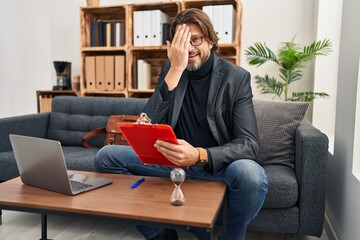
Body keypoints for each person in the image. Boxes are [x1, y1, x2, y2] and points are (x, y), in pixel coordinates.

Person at [94, 8, 268, 240]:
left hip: (215, 167)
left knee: (250, 174)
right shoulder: (170, 70)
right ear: (172, 45)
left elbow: (249, 144)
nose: (189, 47)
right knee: (106, 156)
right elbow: (145, 125)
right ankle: (159, 235)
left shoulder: (235, 78)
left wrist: (198, 155)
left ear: (211, 41)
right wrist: (175, 69)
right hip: (171, 163)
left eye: (195, 39)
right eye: (182, 40)